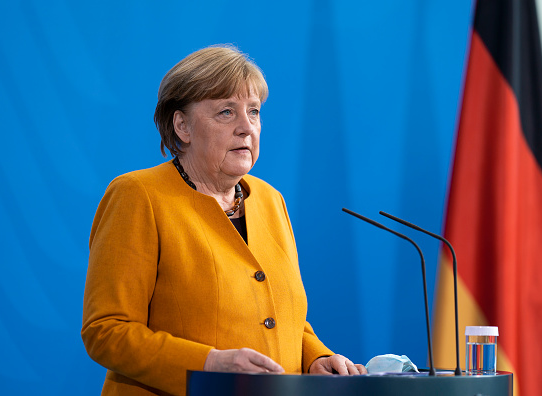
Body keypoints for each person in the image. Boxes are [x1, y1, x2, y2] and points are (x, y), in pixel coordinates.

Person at [82, 45, 366, 396]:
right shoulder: (139, 196)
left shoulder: (269, 200)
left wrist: (314, 358)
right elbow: (106, 330)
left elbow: (281, 317)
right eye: (226, 113)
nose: (247, 128)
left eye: (254, 112)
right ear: (182, 125)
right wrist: (209, 364)